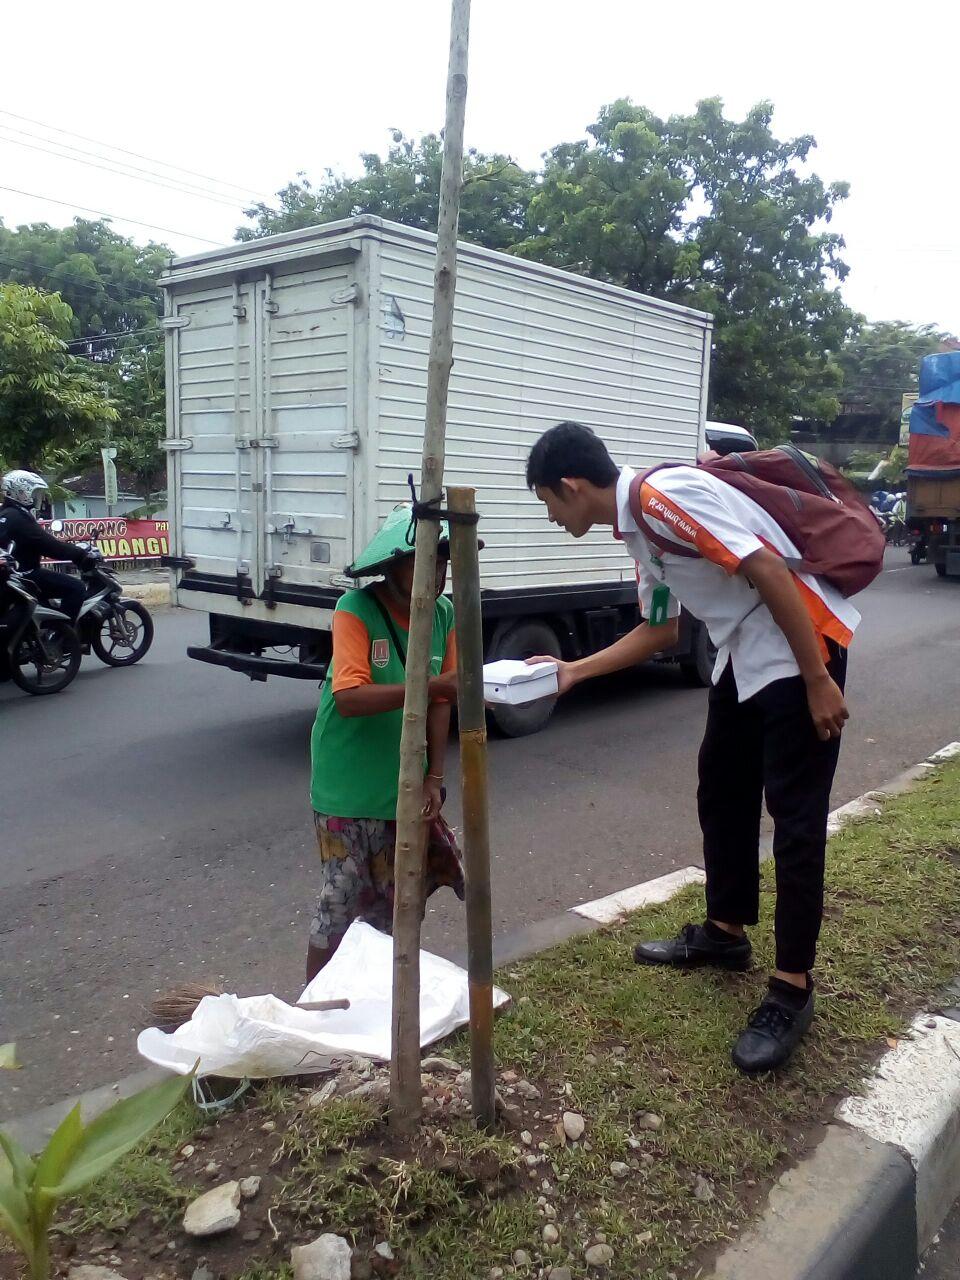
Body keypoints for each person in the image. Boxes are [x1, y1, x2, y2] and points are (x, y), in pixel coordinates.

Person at [525, 421, 859, 1074]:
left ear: (569, 487)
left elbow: (765, 567)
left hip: (801, 643)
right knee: (722, 786)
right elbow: (660, 633)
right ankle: (725, 933)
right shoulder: (640, 531)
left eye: (546, 502)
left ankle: (792, 989)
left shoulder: (662, 500)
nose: (550, 516)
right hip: (744, 650)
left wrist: (818, 679)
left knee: (794, 819)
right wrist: (571, 672)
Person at [305, 504, 463, 983]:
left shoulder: (444, 613)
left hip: (405, 786)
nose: (433, 575)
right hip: (347, 787)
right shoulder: (356, 609)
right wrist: (434, 686)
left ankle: (378, 999)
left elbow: (443, 701)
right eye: (420, 562)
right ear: (391, 566)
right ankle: (313, 1005)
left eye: (441, 563)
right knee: (340, 904)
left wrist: (434, 777)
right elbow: (350, 697)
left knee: (399, 902)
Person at [0, 470, 94, 622]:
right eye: (34, 493)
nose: (38, 498)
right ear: (20, 493)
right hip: (26, 575)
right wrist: (79, 555)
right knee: (76, 588)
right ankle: (62, 635)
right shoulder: (19, 518)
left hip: (12, 577)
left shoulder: (6, 514)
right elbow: (49, 546)